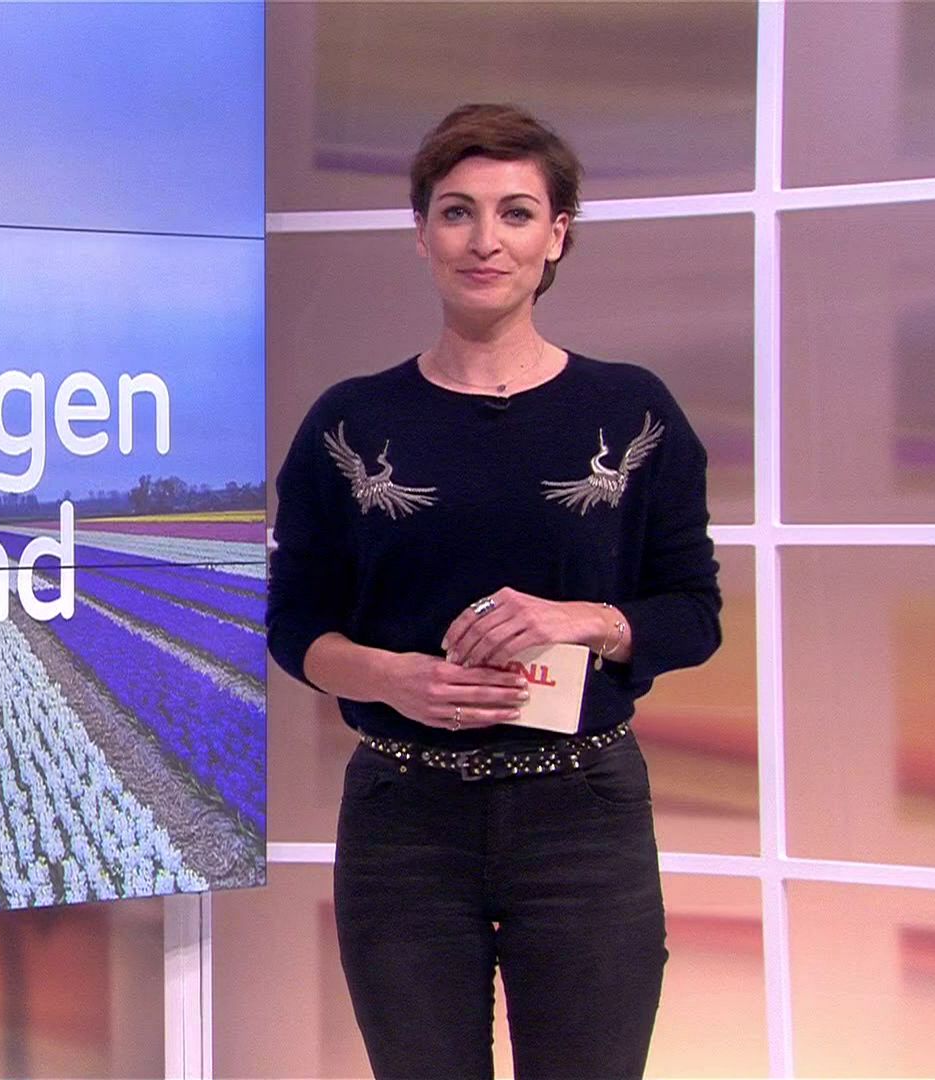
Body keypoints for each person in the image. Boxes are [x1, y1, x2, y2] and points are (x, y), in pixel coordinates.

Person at [266, 103, 723, 1079]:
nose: (485, 240)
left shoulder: (631, 409)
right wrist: (391, 678)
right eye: (456, 212)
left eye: (516, 213)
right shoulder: (351, 422)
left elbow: (693, 614)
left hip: (583, 817)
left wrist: (584, 620)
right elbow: (296, 624)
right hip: (403, 820)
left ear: (557, 235)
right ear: (421, 233)